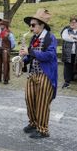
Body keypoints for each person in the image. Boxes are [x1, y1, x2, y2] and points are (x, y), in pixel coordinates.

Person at [19, 9, 58, 139]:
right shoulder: (34, 38)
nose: (30, 27)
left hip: (45, 75)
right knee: (29, 99)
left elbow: (50, 55)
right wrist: (23, 60)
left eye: (33, 25)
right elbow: (31, 56)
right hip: (33, 73)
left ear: (41, 25)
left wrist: (30, 52)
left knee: (42, 103)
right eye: (30, 25)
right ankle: (33, 123)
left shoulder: (49, 38)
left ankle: (43, 130)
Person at [0, 19, 15, 84]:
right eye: (0, 24)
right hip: (0, 49)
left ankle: (6, 79)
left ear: (5, 25)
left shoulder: (9, 34)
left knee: (6, 65)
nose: (0, 26)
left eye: (1, 25)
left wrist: (8, 49)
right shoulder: (1, 33)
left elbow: (13, 44)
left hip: (5, 50)